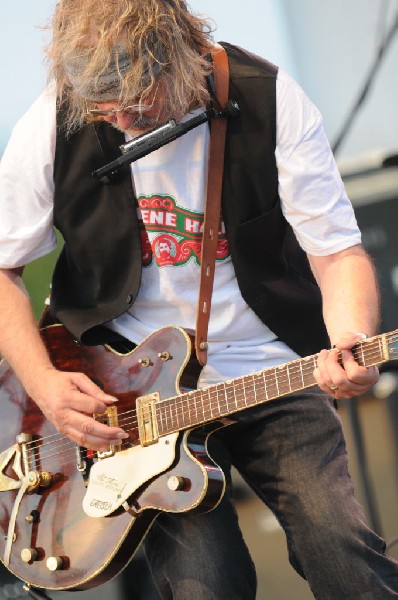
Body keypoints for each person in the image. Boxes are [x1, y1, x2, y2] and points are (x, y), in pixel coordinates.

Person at [0, 1, 397, 598]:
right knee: (205, 585)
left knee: (342, 553)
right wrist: (45, 386)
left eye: (137, 102)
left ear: (182, 58)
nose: (123, 121)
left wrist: (349, 336)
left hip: (271, 370)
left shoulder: (268, 96)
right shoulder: (51, 122)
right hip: (128, 395)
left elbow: (337, 252)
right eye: (104, 109)